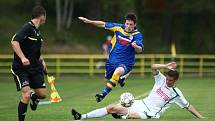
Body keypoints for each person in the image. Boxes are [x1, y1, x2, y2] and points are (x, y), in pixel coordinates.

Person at [71, 62, 204, 120]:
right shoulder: (161, 80)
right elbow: (152, 67)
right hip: (141, 103)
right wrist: (165, 66)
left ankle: (120, 117)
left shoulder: (176, 93)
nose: (167, 81)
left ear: (175, 81)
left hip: (151, 112)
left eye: (170, 80)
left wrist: (201, 117)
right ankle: (81, 117)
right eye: (167, 79)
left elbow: (188, 106)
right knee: (111, 108)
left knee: (132, 116)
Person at [78, 13, 144, 102]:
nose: (128, 26)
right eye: (127, 24)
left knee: (117, 72)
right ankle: (121, 79)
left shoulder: (137, 35)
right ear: (124, 23)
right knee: (109, 77)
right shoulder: (118, 28)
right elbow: (103, 24)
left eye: (131, 24)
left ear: (135, 25)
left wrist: (135, 47)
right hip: (112, 60)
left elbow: (140, 49)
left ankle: (102, 95)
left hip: (126, 62)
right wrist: (89, 21)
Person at [11, 6, 47, 121]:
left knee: (42, 94)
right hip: (21, 68)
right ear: (42, 16)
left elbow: (36, 50)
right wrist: (22, 58)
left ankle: (34, 97)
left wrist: (42, 61)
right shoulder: (27, 27)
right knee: (26, 94)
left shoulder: (37, 32)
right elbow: (14, 41)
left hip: (35, 67)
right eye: (45, 16)